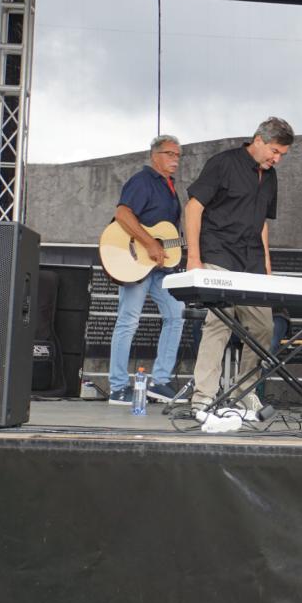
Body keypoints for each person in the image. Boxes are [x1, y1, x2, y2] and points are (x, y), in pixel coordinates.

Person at [186, 117, 294, 412]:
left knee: (263, 327)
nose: (277, 159)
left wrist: (266, 265)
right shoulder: (223, 163)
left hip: (251, 261)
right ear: (258, 140)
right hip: (218, 253)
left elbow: (262, 223)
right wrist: (194, 258)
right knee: (219, 321)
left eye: (282, 154)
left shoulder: (270, 177)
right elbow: (193, 207)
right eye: (274, 151)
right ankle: (204, 395)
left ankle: (244, 391)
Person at [107, 135, 188, 405]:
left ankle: (159, 382)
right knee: (128, 320)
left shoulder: (169, 187)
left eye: (178, 155)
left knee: (176, 315)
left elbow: (166, 232)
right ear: (154, 156)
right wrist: (150, 243)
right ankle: (118, 387)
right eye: (169, 154)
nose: (175, 159)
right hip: (136, 262)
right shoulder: (142, 180)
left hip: (158, 267)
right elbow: (123, 214)